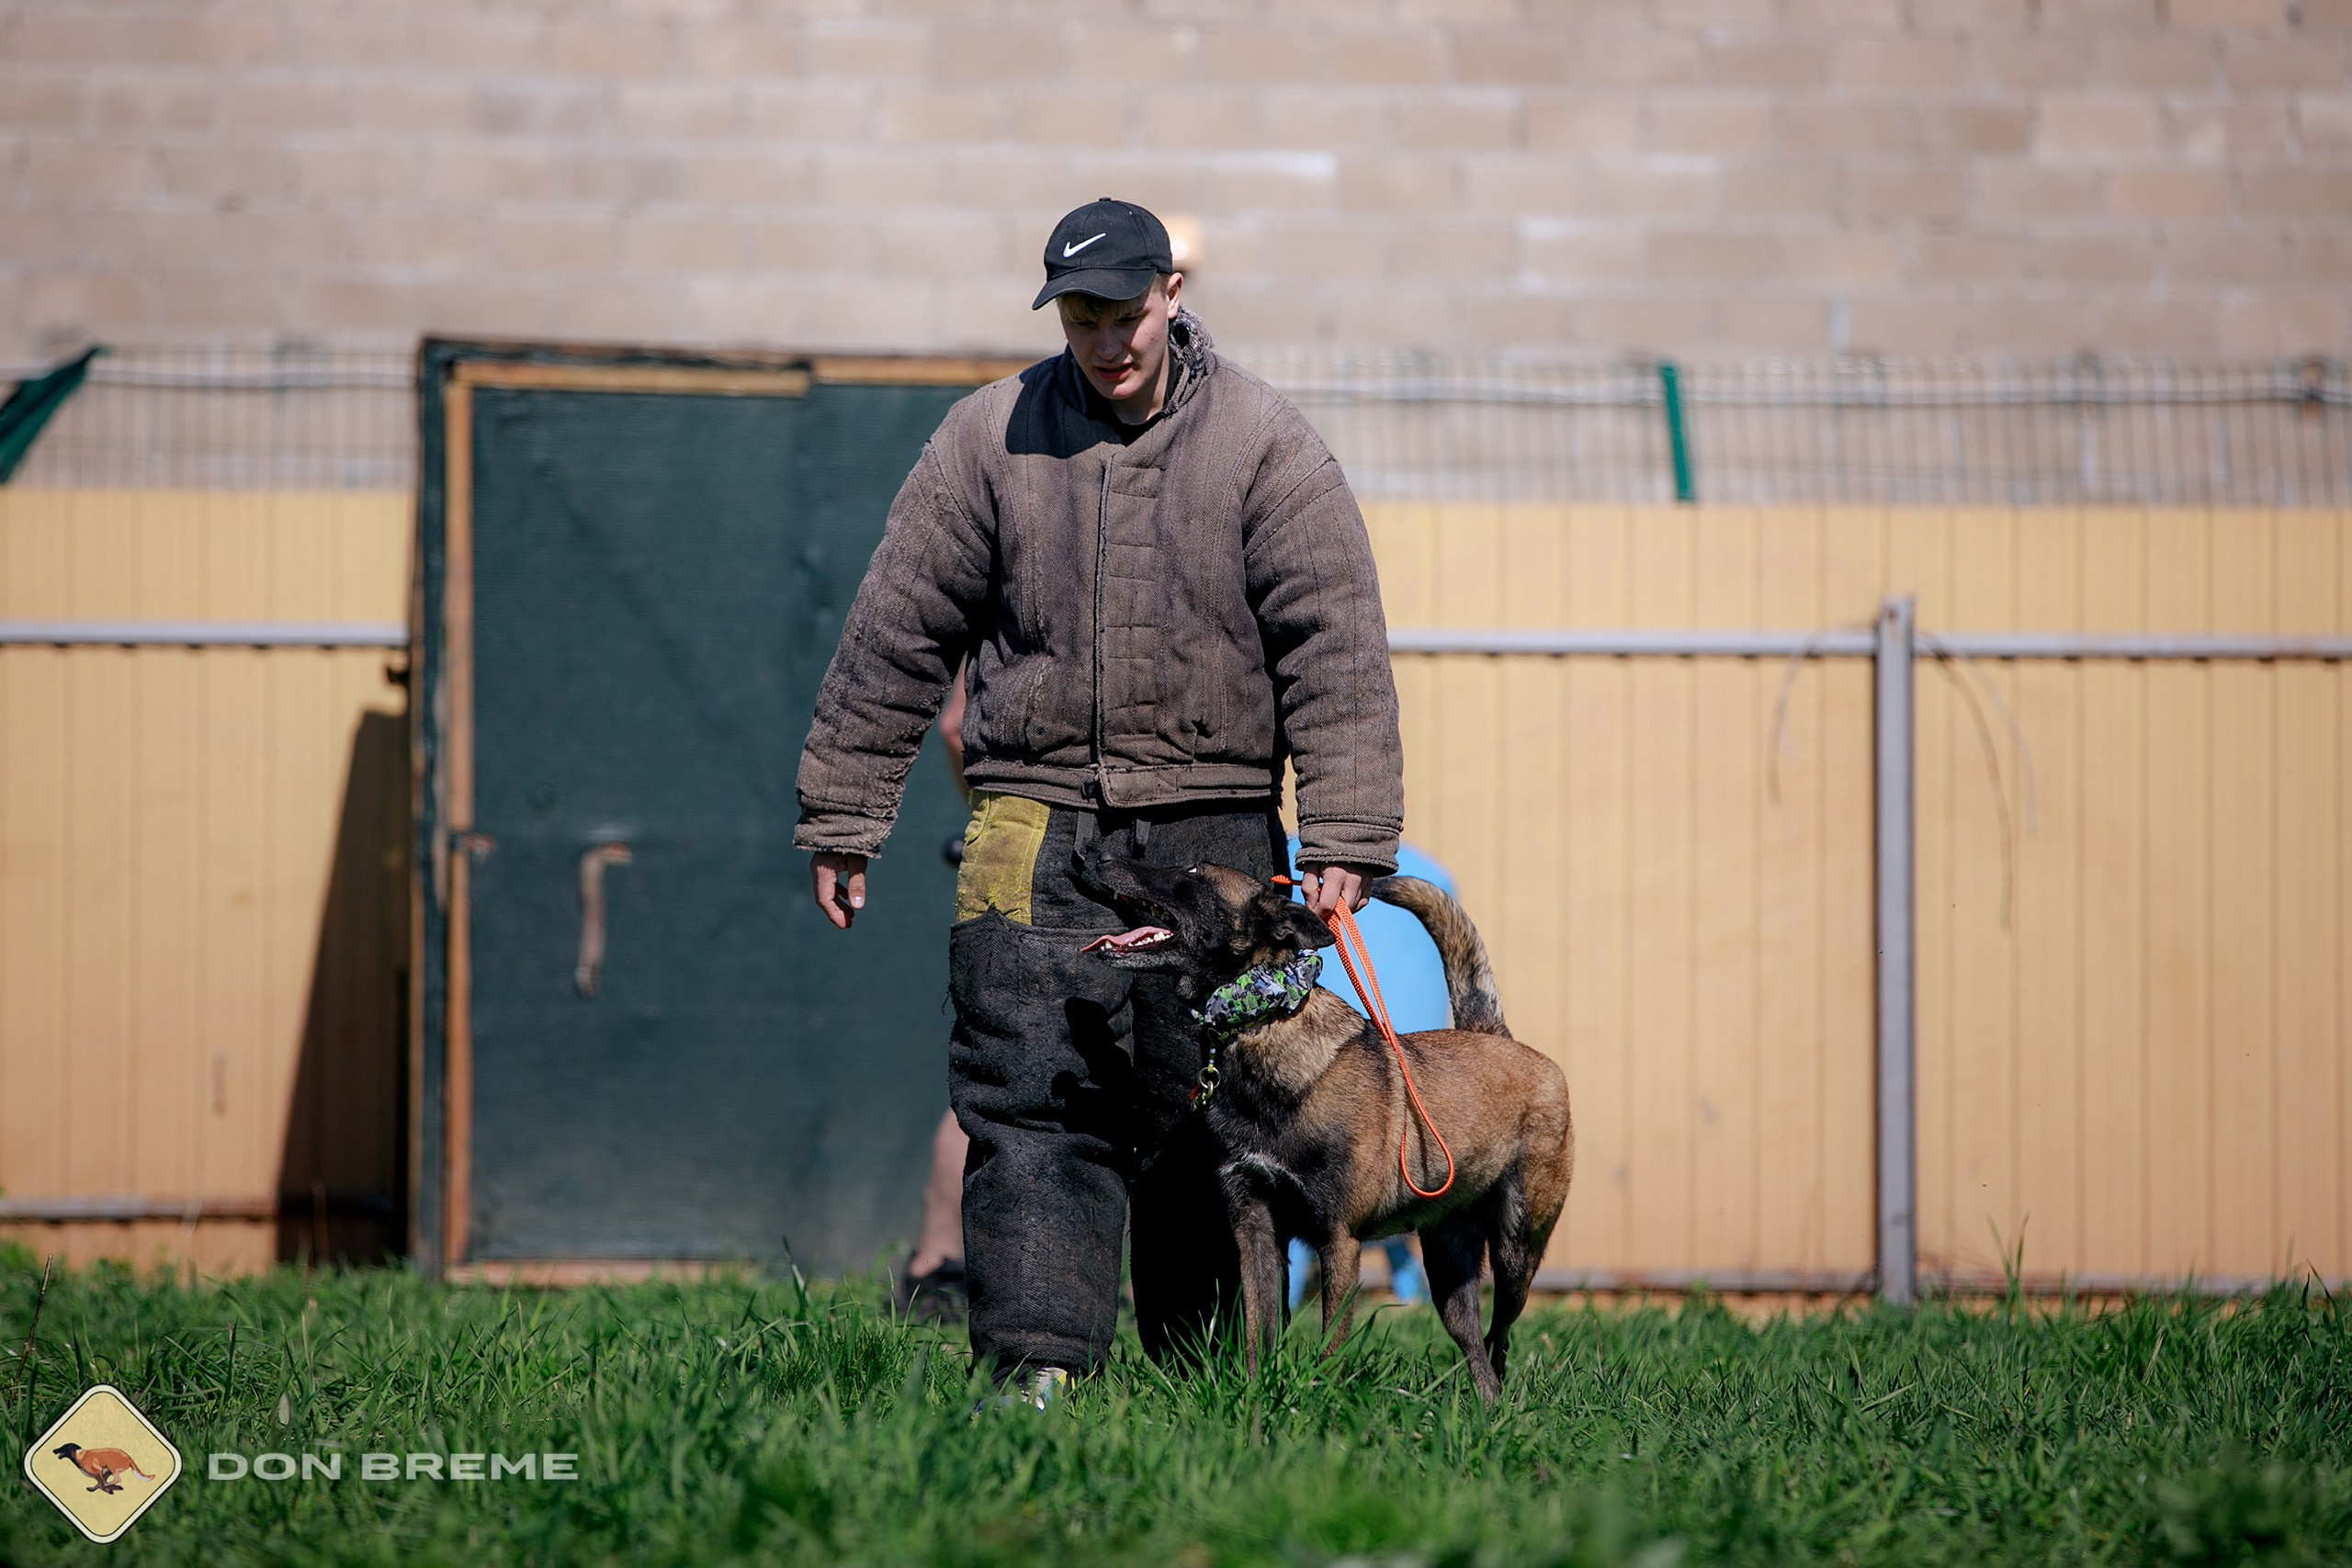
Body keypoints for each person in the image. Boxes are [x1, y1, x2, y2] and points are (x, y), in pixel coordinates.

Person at [796, 197, 1402, 1398]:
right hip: (1025, 817)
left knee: (1211, 1104)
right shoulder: (987, 439)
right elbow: (898, 631)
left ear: (1172, 296)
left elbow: (1334, 645)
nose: (1107, 341)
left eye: (1126, 313)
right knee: (1023, 1099)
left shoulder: (1265, 448)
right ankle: (1037, 1368)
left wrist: (1346, 831)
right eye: (1082, 317)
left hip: (1213, 821)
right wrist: (845, 809)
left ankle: (1203, 1375)